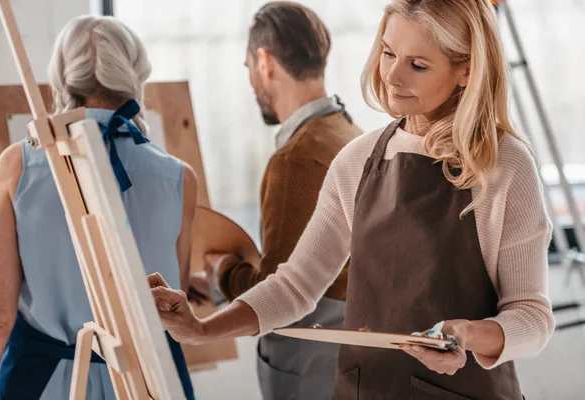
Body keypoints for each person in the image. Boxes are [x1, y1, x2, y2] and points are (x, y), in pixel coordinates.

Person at [150, 0, 555, 398]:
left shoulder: (504, 166)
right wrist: (202, 330)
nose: (393, 76)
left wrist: (468, 334)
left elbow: (533, 318)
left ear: (465, 71)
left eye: (418, 65)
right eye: (388, 52)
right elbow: (295, 286)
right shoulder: (358, 160)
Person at [0, 16, 196, 400]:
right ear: (135, 75)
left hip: (42, 384)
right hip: (147, 384)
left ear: (63, 79)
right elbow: (170, 301)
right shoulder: (179, 177)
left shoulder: (18, 165)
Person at [188, 3, 361, 399]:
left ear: (265, 62)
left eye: (248, 66)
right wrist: (218, 290)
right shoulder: (349, 134)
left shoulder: (296, 159)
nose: (250, 80)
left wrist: (222, 271)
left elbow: (278, 290)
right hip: (347, 348)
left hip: (309, 354)